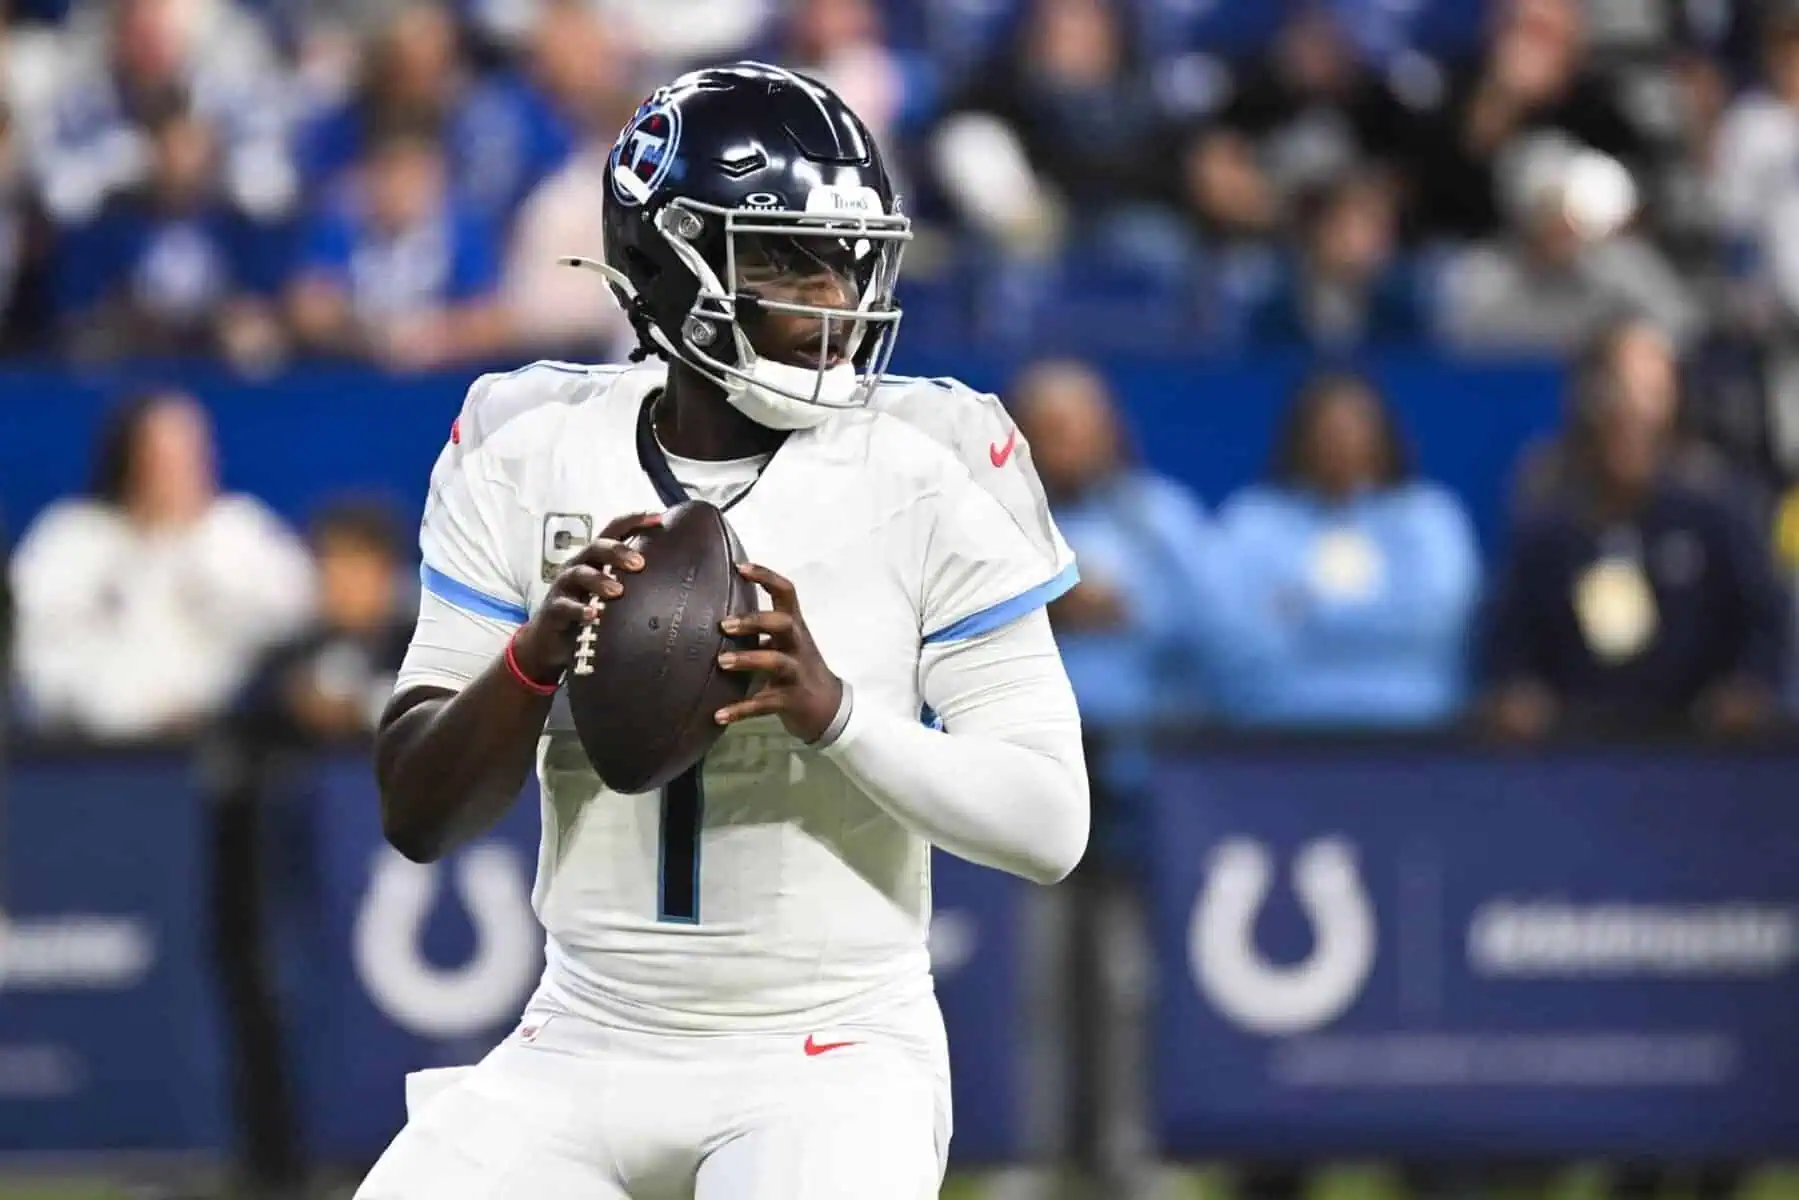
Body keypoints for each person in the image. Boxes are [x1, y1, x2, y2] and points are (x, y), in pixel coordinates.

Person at [357, 62, 1089, 1200]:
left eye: (846, 261)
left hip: (828, 1048)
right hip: (582, 1030)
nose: (835, 301)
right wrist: (529, 662)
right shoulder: (526, 441)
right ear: (666, 262)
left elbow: (1050, 824)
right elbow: (415, 809)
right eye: (789, 259)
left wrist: (836, 715)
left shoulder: (933, 456)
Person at [8, 389, 314, 741]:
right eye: (161, 456)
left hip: (217, 745)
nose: (178, 470)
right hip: (86, 751)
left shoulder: (240, 532)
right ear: (126, 457)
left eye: (190, 453)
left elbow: (292, 626)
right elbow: (36, 645)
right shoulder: (72, 537)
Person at [1213, 373, 1480, 727]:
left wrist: (1305, 608)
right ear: (1300, 435)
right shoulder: (1253, 522)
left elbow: (1436, 625)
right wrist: (1385, 609)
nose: (1340, 440)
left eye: (1356, 424)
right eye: (1327, 427)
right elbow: (1237, 636)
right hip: (1281, 729)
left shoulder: (1429, 519)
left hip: (1413, 727)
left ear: (1383, 434)